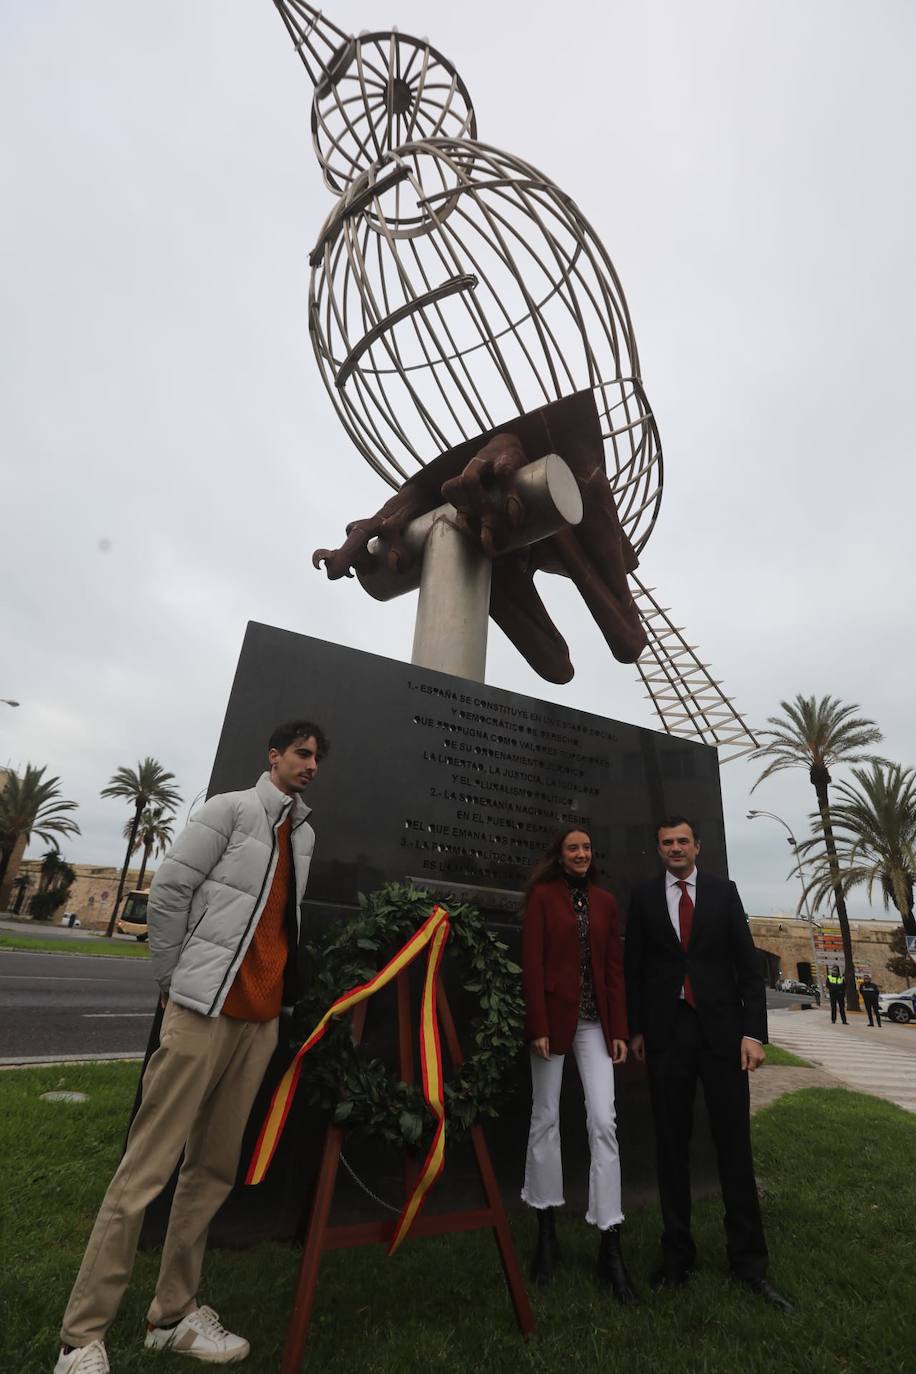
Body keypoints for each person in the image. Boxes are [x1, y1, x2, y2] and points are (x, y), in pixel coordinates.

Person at [54, 720, 327, 1374]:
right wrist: (175, 981)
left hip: (258, 1026)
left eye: (319, 757)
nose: (312, 765)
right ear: (275, 755)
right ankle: (81, 1337)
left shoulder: (305, 834)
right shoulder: (231, 811)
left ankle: (171, 1315)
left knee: (210, 1173)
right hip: (203, 1013)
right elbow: (171, 889)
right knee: (146, 1168)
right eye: (302, 753)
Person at [624, 816, 792, 1312]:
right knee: (671, 1147)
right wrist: (635, 1028)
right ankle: (676, 1257)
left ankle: (749, 1264)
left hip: (721, 1036)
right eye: (666, 843)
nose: (675, 848)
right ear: (658, 850)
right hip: (666, 1036)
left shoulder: (724, 892)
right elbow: (635, 968)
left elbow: (749, 969)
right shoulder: (645, 896)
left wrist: (752, 1034)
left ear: (697, 846)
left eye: (682, 841)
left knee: (734, 1147)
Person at [520, 826, 638, 1304]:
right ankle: (546, 1230)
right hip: (553, 1022)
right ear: (560, 855)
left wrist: (618, 1030)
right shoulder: (543, 898)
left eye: (588, 847)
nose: (582, 853)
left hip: (596, 1026)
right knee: (545, 1117)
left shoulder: (606, 903)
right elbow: (533, 963)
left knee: (604, 1121)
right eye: (574, 848)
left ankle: (609, 1239)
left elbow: (613, 968)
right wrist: (538, 1025)